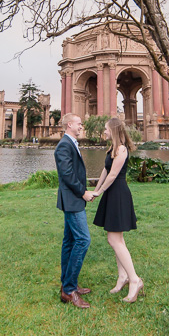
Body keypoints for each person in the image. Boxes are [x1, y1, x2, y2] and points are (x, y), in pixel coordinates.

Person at [92, 117, 144, 303]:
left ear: (113, 130)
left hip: (119, 194)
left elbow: (114, 174)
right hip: (111, 194)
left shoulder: (121, 149)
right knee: (116, 239)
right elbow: (105, 172)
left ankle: (134, 280)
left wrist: (100, 192)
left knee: (115, 239)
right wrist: (96, 191)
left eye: (105, 129)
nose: (104, 131)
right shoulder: (111, 149)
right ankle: (122, 277)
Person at [55, 113, 97, 309]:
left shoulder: (70, 143)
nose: (82, 126)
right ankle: (69, 290)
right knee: (83, 240)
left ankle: (68, 283)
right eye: (79, 124)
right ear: (70, 124)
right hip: (73, 200)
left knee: (70, 241)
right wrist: (83, 193)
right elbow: (67, 174)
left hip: (72, 199)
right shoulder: (64, 145)